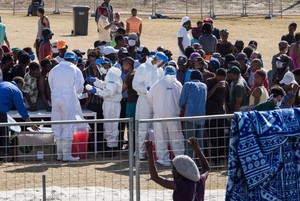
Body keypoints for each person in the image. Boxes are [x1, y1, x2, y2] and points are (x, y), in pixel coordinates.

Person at [145, 137, 210, 201]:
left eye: (174, 169)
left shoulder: (181, 185)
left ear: (180, 171)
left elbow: (155, 177)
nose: (172, 172)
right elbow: (206, 168)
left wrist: (150, 154)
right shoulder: (200, 181)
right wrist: (197, 148)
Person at [48, 51, 85, 162]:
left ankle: (59, 154)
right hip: (68, 98)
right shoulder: (75, 69)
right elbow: (79, 87)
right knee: (68, 125)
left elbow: (51, 85)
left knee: (57, 125)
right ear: (74, 60)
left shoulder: (54, 69)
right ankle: (66, 155)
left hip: (55, 98)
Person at [132, 52, 168, 160]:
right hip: (144, 99)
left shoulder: (160, 71)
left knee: (155, 128)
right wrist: (146, 90)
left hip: (156, 101)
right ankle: (139, 153)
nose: (162, 65)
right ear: (157, 59)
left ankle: (152, 152)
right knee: (143, 127)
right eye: (161, 62)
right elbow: (135, 85)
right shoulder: (143, 68)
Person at [147, 66, 184, 166]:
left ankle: (163, 159)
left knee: (160, 137)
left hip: (159, 114)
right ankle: (179, 159)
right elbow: (182, 100)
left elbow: (149, 97)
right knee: (176, 137)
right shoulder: (178, 84)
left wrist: (157, 105)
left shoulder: (158, 84)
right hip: (173, 115)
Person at [85, 59, 122, 157]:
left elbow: (109, 93)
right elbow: (106, 85)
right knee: (108, 125)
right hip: (110, 103)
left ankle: (112, 148)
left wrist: (95, 90)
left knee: (111, 126)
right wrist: (96, 81)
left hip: (112, 103)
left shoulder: (112, 75)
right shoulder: (111, 74)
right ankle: (110, 146)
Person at [0, 77, 38, 160]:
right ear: (20, 85)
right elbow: (22, 109)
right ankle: (5, 153)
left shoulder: (3, 83)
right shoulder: (16, 91)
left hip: (2, 110)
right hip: (1, 112)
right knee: (4, 133)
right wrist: (31, 123)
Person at [179, 70, 207, 159]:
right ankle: (200, 165)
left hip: (190, 117)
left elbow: (181, 102)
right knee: (199, 144)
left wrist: (184, 108)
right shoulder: (204, 86)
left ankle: (189, 164)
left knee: (189, 143)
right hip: (201, 118)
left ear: (190, 77)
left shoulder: (188, 85)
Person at [206, 68, 230, 165]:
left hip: (221, 114)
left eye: (224, 78)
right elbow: (207, 96)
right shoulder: (209, 82)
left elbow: (227, 99)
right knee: (213, 138)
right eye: (220, 77)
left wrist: (227, 114)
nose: (222, 80)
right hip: (211, 115)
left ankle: (221, 159)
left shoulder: (226, 84)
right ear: (216, 76)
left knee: (221, 137)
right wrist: (216, 86)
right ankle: (214, 160)